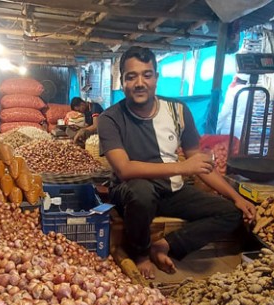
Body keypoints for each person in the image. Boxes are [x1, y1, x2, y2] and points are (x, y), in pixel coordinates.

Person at [98, 46, 256, 280]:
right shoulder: (110, 118)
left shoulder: (178, 111)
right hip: (131, 192)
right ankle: (140, 253)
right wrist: (182, 167)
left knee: (230, 213)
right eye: (131, 76)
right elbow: (124, 169)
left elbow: (199, 163)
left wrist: (236, 197)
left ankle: (164, 245)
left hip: (171, 191)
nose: (140, 82)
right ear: (122, 81)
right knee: (140, 191)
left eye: (147, 75)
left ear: (156, 78)